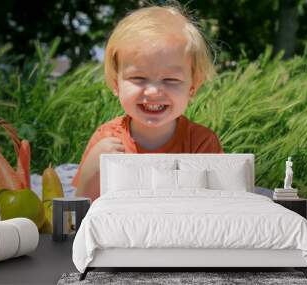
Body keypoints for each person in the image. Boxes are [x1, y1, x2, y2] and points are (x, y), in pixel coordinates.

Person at [72, 3, 223, 202]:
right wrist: (93, 167)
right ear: (116, 84)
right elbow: (83, 206)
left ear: (192, 87)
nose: (153, 91)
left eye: (171, 80)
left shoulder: (201, 143)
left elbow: (218, 204)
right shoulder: (106, 139)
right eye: (138, 78)